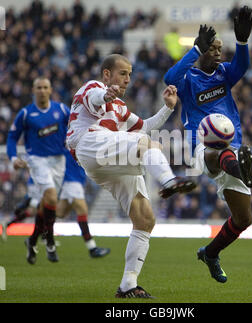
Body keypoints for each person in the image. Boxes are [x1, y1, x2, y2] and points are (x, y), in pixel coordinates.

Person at [66, 53, 197, 298]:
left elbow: (144, 126)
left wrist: (167, 108)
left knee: (145, 218)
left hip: (105, 160)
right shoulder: (93, 87)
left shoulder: (121, 107)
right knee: (146, 144)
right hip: (89, 143)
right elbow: (94, 98)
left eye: (130, 74)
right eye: (123, 73)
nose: (128, 79)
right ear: (107, 74)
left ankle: (128, 285)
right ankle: (169, 181)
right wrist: (106, 94)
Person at [164, 6, 252, 283]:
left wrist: (242, 42)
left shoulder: (224, 73)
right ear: (202, 50)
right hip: (200, 143)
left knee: (243, 220)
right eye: (213, 48)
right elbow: (170, 79)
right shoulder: (188, 79)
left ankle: (211, 253)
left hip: (232, 144)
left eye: (220, 48)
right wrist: (193, 51)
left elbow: (242, 66)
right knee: (220, 155)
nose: (218, 52)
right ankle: (240, 167)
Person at [6, 77, 70, 264]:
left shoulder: (61, 110)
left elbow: (74, 126)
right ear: (33, 90)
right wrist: (13, 158)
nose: (42, 90)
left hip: (59, 161)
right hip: (37, 161)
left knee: (45, 206)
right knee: (50, 198)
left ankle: (32, 241)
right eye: (39, 88)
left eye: (45, 87)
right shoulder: (26, 114)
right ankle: (49, 241)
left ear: (51, 90)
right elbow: (12, 137)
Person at [56, 150, 110, 258]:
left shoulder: (78, 142)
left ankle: (35, 233)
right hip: (72, 181)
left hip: (73, 181)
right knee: (82, 210)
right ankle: (92, 248)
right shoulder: (70, 140)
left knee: (60, 213)